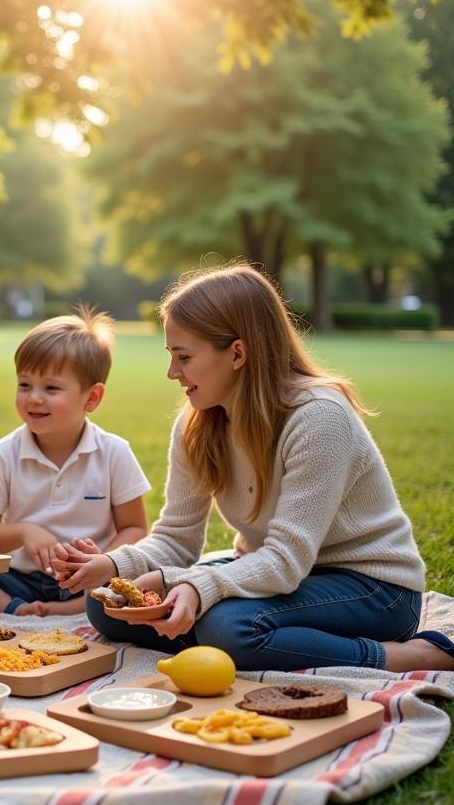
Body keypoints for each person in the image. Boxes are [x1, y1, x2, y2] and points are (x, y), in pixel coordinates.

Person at [54, 264, 454, 672]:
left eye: (184, 357)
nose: (173, 373)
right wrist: (113, 566)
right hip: (276, 575)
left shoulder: (319, 419)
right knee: (109, 603)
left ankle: (406, 655)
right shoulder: (197, 423)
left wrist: (193, 585)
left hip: (372, 588)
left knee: (228, 628)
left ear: (238, 353)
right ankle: (247, 640)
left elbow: (285, 559)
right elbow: (176, 539)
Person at [0, 306, 150, 616]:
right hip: (20, 577)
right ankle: (20, 609)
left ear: (91, 398)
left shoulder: (114, 452)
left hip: (89, 579)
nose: (34, 397)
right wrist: (25, 531)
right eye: (25, 384)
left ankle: (74, 608)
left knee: (143, 576)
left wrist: (102, 559)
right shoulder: (4, 453)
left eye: (51, 388)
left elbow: (134, 528)